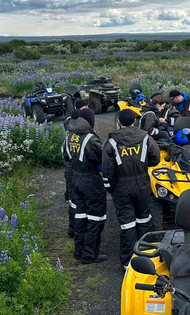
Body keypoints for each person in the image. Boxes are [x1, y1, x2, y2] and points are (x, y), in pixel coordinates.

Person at [103, 109, 161, 270]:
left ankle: (128, 263)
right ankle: (145, 256)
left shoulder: (112, 142)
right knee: (144, 220)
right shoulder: (145, 138)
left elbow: (107, 169)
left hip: (121, 186)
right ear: (134, 122)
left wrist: (111, 187)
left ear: (119, 123)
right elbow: (155, 159)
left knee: (127, 225)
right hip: (142, 183)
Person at [62, 109, 107, 263]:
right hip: (91, 181)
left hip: (74, 178)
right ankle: (90, 254)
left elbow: (66, 156)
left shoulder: (69, 136)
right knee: (95, 218)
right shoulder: (90, 138)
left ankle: (78, 251)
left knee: (79, 216)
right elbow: (101, 159)